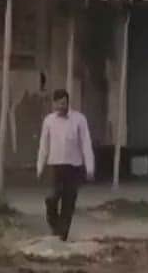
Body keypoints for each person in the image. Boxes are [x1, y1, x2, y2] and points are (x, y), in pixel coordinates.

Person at [36, 89, 94, 241]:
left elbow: (86, 143)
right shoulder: (49, 121)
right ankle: (56, 227)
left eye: (64, 103)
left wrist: (90, 167)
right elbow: (43, 145)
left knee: (68, 203)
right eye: (59, 104)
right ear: (54, 104)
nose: (61, 106)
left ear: (68, 102)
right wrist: (39, 166)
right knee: (51, 199)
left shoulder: (79, 119)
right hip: (55, 166)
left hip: (73, 167)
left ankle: (61, 236)